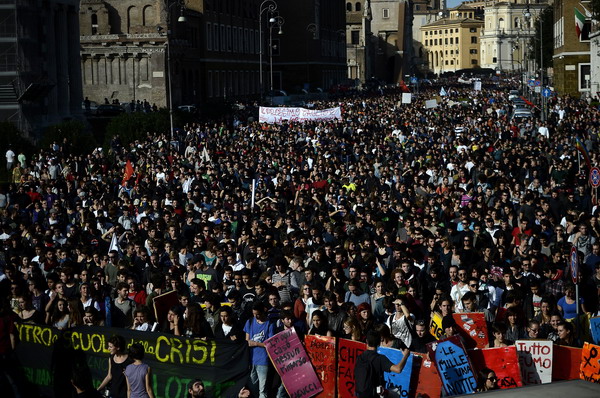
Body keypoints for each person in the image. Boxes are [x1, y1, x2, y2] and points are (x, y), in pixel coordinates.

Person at [354, 330, 411, 398]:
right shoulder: (380, 358)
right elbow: (398, 369)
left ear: (366, 341)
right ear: (379, 343)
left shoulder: (360, 357)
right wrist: (405, 356)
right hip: (374, 395)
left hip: (361, 394)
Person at [244, 301, 276, 398]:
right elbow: (247, 340)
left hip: (263, 360)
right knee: (251, 388)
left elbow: (270, 344)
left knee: (263, 390)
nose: (256, 316)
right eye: (254, 314)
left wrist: (256, 343)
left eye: (258, 314)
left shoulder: (270, 324)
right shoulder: (249, 322)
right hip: (251, 360)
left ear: (263, 311)